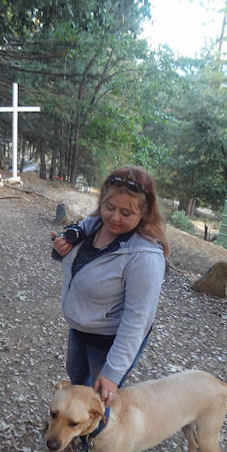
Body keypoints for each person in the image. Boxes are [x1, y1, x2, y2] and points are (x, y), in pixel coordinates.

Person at [52, 165, 169, 410]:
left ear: (144, 212)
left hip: (109, 343)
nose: (114, 218)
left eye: (126, 213)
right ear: (101, 201)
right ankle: (74, 423)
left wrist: (113, 372)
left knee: (98, 403)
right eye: (109, 207)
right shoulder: (94, 224)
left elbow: (137, 320)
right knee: (77, 383)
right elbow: (79, 242)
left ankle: (95, 434)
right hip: (79, 330)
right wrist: (62, 246)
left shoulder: (145, 256)